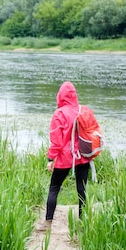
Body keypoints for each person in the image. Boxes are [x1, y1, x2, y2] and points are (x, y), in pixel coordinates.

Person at [37, 81, 90, 232]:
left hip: (66, 157)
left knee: (54, 188)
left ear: (60, 96)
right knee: (82, 188)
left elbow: (57, 142)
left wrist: (50, 159)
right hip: (83, 156)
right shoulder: (83, 110)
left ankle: (47, 224)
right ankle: (82, 222)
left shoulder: (59, 114)